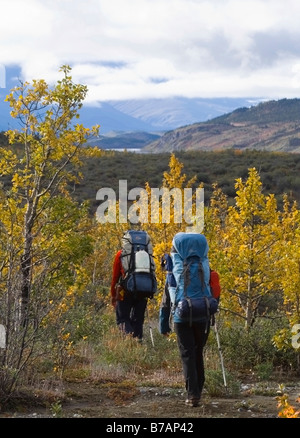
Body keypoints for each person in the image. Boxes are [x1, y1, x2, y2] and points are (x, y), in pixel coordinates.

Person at [167, 233, 214, 408]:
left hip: (182, 314)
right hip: (203, 311)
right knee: (198, 351)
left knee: (187, 353)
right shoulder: (204, 262)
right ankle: (198, 390)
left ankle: (192, 395)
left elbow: (169, 290)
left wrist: (164, 322)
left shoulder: (174, 263)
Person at [110, 248, 147, 341]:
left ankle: (130, 342)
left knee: (122, 319)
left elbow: (115, 277)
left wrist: (113, 295)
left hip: (125, 291)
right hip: (143, 290)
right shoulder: (147, 253)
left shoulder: (121, 254)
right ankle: (138, 344)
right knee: (138, 320)